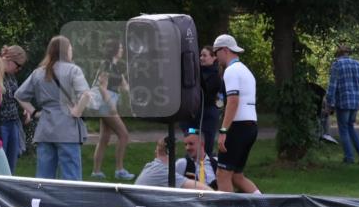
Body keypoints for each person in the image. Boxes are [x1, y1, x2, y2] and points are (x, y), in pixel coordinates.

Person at [14, 35, 91, 180]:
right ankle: (70, 203)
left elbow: (19, 95)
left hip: (45, 128)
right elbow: (86, 95)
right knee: (71, 177)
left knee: (44, 178)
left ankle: (42, 203)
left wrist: (34, 112)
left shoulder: (38, 72)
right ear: (66, 50)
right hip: (68, 129)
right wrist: (77, 111)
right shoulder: (73, 70)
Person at [212, 34, 261, 193]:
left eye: (216, 52)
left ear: (225, 50)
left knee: (222, 175)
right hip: (251, 126)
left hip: (237, 127)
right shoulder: (246, 71)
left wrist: (223, 131)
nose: (215, 57)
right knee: (237, 176)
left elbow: (233, 101)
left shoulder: (231, 71)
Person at [90, 39, 134, 180]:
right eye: (120, 48)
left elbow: (125, 86)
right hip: (107, 105)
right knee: (124, 135)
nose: (122, 50)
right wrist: (112, 106)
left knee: (104, 138)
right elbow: (102, 87)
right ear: (114, 50)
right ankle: (119, 170)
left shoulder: (115, 67)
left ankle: (96, 172)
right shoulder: (106, 64)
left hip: (109, 103)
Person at [326, 44, 359, 165]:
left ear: (338, 54)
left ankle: (349, 157)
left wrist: (330, 102)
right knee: (350, 127)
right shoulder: (357, 64)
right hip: (355, 101)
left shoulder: (337, 65)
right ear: (348, 53)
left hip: (343, 101)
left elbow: (333, 85)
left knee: (344, 129)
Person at [181, 44, 223, 158]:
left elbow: (209, 94)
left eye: (204, 55)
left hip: (208, 116)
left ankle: (206, 171)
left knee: (206, 146)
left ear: (214, 58)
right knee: (191, 141)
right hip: (193, 116)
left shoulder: (216, 76)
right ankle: (190, 168)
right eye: (200, 55)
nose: (201, 58)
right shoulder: (195, 72)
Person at [136, 136, 211, 189]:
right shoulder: (162, 171)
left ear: (156, 152)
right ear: (172, 152)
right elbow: (202, 189)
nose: (187, 148)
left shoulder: (149, 167)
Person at [0, 44, 28, 173]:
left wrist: (26, 109)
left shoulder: (11, 76)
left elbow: (16, 95)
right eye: (18, 66)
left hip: (13, 123)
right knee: (0, 164)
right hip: (0, 124)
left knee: (11, 165)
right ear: (10, 60)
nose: (19, 70)